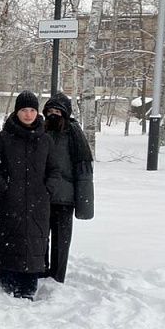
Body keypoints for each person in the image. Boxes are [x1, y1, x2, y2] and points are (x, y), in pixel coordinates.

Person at [0, 91, 56, 300]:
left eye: (32, 110)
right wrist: (4, 188)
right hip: (9, 203)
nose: (28, 114)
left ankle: (29, 284)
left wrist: (46, 189)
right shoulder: (3, 138)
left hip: (38, 204)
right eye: (24, 110)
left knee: (34, 241)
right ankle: (6, 280)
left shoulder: (45, 140)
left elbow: (55, 170)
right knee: (8, 238)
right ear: (17, 111)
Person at [43, 93, 94, 283]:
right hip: (44, 195)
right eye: (50, 111)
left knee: (61, 242)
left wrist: (84, 203)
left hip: (65, 199)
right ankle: (41, 270)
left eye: (57, 111)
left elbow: (84, 170)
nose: (53, 114)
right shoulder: (42, 131)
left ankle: (57, 277)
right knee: (41, 239)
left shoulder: (73, 134)